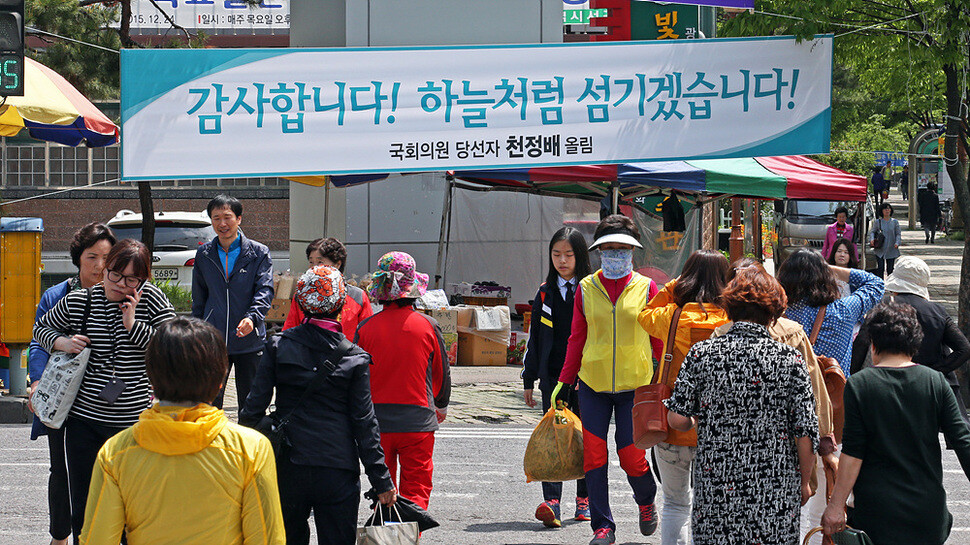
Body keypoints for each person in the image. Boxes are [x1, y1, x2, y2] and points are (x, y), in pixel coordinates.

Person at [78, 317, 285, 544]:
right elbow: (267, 539)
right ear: (220, 380)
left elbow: (96, 539)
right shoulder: (251, 448)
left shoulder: (115, 453)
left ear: (151, 379)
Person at [33, 239, 176, 542]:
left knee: (131, 506)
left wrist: (133, 325)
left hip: (133, 423)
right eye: (114, 274)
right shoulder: (81, 300)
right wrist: (63, 342)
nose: (120, 284)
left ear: (143, 278)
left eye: (131, 279)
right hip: (84, 420)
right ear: (106, 269)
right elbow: (41, 329)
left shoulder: (151, 300)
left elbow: (174, 346)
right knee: (84, 504)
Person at [665, 264, 819, 545]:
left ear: (730, 308)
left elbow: (677, 419)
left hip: (717, 486)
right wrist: (805, 481)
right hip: (775, 486)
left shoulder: (703, 353)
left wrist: (698, 419)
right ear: (774, 312)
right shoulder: (789, 360)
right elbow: (805, 432)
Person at [242, 266, 396, 545]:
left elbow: (252, 411)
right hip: (336, 467)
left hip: (288, 464)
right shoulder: (354, 358)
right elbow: (364, 423)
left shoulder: (277, 346)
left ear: (300, 302)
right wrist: (381, 480)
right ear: (340, 304)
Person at [552, 214, 662, 545]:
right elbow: (577, 338)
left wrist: (662, 379)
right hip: (593, 386)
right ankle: (603, 526)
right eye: (609, 248)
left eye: (622, 248)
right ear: (599, 251)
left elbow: (657, 339)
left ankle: (645, 500)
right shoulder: (586, 288)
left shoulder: (647, 287)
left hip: (636, 386)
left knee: (632, 456)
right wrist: (564, 381)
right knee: (594, 457)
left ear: (632, 252)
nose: (615, 254)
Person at [821, 302, 970, 545]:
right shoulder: (935, 382)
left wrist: (836, 506)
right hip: (927, 511)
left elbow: (853, 452)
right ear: (915, 343)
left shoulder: (860, 384)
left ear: (873, 345)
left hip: (876, 512)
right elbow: (963, 441)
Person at [712, 259, 837, 545]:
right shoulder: (791, 332)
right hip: (784, 455)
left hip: (730, 456)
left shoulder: (718, 337)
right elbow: (814, 396)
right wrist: (825, 446)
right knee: (785, 526)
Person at [27, 222, 115, 545]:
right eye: (92, 256)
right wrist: (36, 382)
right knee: (60, 471)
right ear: (78, 259)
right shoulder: (58, 295)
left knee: (97, 474)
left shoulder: (117, 297)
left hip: (101, 402)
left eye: (106, 257)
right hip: (61, 399)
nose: (100, 265)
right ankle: (60, 535)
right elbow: (38, 341)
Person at [637, 249, 731, 545]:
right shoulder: (729, 319)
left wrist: (674, 285)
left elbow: (643, 316)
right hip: (717, 428)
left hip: (672, 426)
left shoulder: (670, 317)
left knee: (676, 504)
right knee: (709, 508)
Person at [354, 252, 450, 511]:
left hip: (375, 422)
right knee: (416, 488)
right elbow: (441, 372)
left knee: (382, 487)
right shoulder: (428, 325)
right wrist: (439, 405)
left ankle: (384, 532)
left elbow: (356, 379)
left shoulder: (365, 328)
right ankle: (411, 535)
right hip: (418, 421)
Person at [521, 227, 592, 527]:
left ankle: (584, 500)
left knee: (586, 439)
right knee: (554, 437)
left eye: (568, 255)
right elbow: (534, 339)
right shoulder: (544, 292)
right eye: (556, 255)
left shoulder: (591, 289)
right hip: (553, 380)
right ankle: (552, 501)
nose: (562, 261)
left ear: (580, 257)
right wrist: (529, 379)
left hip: (588, 377)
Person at [192, 194, 274, 414]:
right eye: (216, 218)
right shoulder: (204, 254)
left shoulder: (258, 253)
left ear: (239, 219)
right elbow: (198, 298)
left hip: (250, 339)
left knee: (251, 404)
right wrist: (198, 331)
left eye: (227, 217)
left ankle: (250, 447)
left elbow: (265, 290)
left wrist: (253, 318)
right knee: (209, 402)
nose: (222, 223)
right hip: (214, 340)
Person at [867, 257, 970, 424]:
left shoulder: (884, 307)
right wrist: (937, 370)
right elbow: (964, 348)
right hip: (930, 389)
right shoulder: (937, 311)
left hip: (889, 385)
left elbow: (862, 345)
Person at [778, 248, 883, 376]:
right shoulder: (844, 310)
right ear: (826, 277)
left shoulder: (776, 315)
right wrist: (826, 268)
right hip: (835, 393)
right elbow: (876, 283)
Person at [282, 237, 373, 337]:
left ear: (338, 264)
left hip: (346, 352)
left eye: (320, 262)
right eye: (311, 262)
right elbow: (289, 331)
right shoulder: (302, 296)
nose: (314, 267)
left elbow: (368, 335)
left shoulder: (358, 296)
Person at [870, 202, 901, 278]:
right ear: (882, 211)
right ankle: (881, 284)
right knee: (880, 268)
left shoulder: (895, 222)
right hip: (880, 248)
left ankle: (890, 285)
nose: (887, 210)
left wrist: (897, 242)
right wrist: (872, 239)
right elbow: (872, 231)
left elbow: (898, 234)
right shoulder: (878, 222)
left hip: (891, 248)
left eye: (888, 209)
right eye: (885, 209)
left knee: (890, 269)